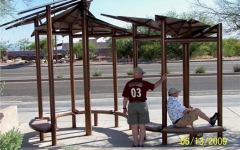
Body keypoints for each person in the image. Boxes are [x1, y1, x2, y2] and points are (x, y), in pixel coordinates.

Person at [122, 66, 167, 147]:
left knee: (134, 125)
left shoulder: (128, 84)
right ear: (138, 74)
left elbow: (125, 98)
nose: (142, 75)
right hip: (142, 105)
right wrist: (161, 80)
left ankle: (135, 143)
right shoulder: (144, 83)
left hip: (132, 105)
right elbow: (154, 86)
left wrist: (124, 108)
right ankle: (141, 143)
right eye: (141, 73)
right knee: (142, 125)